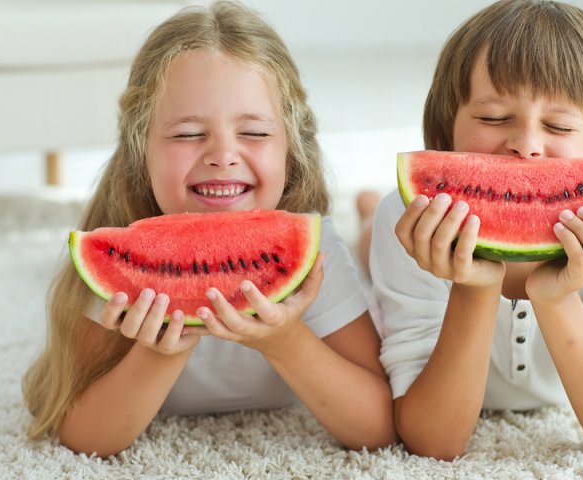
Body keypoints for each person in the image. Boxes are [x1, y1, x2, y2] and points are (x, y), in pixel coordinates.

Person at [22, 1, 396, 457]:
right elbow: (81, 437)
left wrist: (286, 341)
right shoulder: (119, 257)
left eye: (254, 133)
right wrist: (161, 352)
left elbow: (378, 428)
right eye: (186, 135)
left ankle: (370, 215)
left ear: (290, 149)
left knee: (376, 254)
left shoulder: (317, 256)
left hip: (339, 261)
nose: (222, 155)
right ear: (141, 150)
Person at [366, 0, 583, 461]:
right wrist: (473, 287)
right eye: (493, 118)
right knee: (375, 227)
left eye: (559, 125)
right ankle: (366, 216)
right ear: (445, 130)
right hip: (395, 232)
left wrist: (556, 296)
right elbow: (433, 442)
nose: (526, 147)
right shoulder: (409, 222)